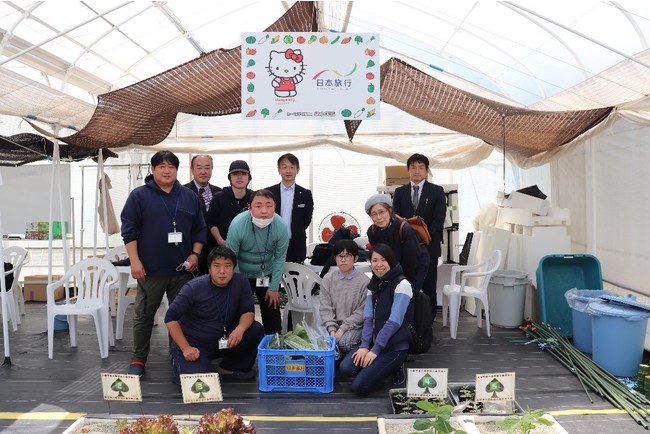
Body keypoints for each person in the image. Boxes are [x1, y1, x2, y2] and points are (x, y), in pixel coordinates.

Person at [120, 150, 207, 377]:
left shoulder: (189, 196)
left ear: (177, 171)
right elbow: (129, 231)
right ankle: (139, 359)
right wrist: (135, 261)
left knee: (180, 317)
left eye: (171, 167)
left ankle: (178, 355)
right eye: (161, 166)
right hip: (150, 271)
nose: (167, 171)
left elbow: (200, 229)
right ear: (153, 169)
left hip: (182, 271)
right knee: (144, 316)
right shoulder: (139, 196)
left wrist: (195, 254)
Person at [165, 246, 265, 384]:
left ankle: (228, 368)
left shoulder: (241, 282)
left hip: (223, 340)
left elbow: (248, 311)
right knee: (197, 382)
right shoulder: (193, 287)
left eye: (227, 266)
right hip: (194, 343)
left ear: (234, 268)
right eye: (217, 266)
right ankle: (178, 359)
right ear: (209, 269)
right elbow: (170, 318)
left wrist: (240, 329)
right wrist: (186, 348)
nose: (222, 271)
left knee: (255, 329)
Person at [338, 243, 413, 396]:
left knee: (359, 387)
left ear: (391, 261)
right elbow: (368, 318)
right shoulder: (374, 284)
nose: (379, 265)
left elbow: (394, 322)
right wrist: (365, 346)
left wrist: (375, 350)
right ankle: (376, 367)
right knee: (346, 369)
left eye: (383, 260)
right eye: (374, 260)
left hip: (394, 347)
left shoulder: (402, 284)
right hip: (374, 343)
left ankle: (394, 366)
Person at [226, 189, 289, 335]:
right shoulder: (237, 224)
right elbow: (231, 257)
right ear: (249, 208)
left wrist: (274, 288)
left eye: (269, 205)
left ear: (275, 206)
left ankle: (274, 344)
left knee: (272, 308)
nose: (264, 211)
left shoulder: (281, 226)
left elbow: (280, 258)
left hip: (266, 273)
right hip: (241, 272)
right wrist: (239, 284)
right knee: (241, 310)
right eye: (258, 206)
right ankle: (241, 343)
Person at [392, 153, 446, 320]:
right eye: (413, 167)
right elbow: (396, 218)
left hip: (429, 246)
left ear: (427, 170)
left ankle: (428, 323)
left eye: (421, 167)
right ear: (408, 170)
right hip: (405, 248)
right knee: (406, 284)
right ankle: (408, 320)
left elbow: (439, 219)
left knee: (429, 285)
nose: (417, 171)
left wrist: (424, 236)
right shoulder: (400, 192)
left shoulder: (437, 191)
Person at [365, 194, 429, 291]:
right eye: (374, 214)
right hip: (393, 267)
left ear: (390, 211)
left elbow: (411, 261)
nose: (378, 217)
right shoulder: (372, 232)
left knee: (408, 295)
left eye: (382, 212)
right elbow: (378, 256)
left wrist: (404, 284)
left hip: (414, 266)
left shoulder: (405, 229)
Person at [319, 239, 369, 358]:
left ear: (355, 258)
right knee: (319, 343)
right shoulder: (328, 279)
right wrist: (332, 330)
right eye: (339, 256)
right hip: (332, 326)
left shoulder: (365, 282)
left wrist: (342, 329)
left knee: (345, 343)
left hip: (354, 326)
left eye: (347, 256)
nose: (343, 260)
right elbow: (325, 308)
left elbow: (361, 313)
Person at [266, 153, 314, 264]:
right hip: (273, 244)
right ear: (279, 170)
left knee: (295, 278)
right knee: (273, 278)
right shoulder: (269, 192)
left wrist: (296, 230)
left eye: (292, 167)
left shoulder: (305, 194)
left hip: (296, 244)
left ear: (297, 170)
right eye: (284, 167)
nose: (288, 170)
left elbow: (307, 219)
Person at [184, 154, 221, 275]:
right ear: (192, 170)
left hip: (215, 247)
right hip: (191, 248)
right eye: (199, 168)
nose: (203, 172)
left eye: (207, 167)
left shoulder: (220, 192)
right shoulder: (183, 192)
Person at [206, 160, 253, 248]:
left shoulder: (253, 197)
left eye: (243, 174)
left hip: (249, 247)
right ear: (229, 178)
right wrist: (220, 241)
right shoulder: (219, 197)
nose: (239, 177)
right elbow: (211, 222)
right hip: (224, 247)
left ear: (249, 178)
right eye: (235, 174)